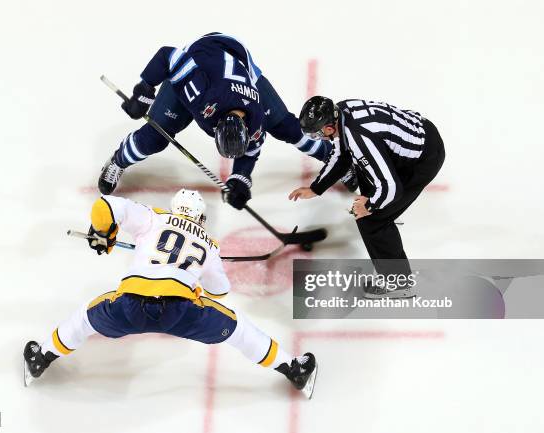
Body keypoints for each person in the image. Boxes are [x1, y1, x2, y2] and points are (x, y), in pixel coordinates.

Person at [23, 189, 318, 398]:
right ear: (201, 218)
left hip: (130, 306)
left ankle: (41, 358)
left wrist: (105, 233)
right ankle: (293, 369)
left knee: (86, 317)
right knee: (239, 329)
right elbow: (221, 291)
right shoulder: (210, 245)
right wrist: (197, 281)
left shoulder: (154, 217)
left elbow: (104, 208)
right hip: (182, 312)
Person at [97, 32, 338, 210]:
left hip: (238, 62)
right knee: (155, 138)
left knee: (285, 126)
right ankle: (118, 161)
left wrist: (239, 179)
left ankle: (335, 157)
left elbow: (250, 152)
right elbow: (168, 55)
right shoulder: (199, 91)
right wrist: (145, 89)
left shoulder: (257, 120)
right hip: (204, 59)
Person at [289, 96, 445, 299]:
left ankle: (399, 283)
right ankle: (385, 212)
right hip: (416, 135)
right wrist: (316, 188)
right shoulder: (342, 111)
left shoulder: (359, 138)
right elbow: (342, 154)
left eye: (317, 134)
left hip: (423, 159)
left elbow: (390, 187)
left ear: (328, 128)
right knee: (368, 181)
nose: (319, 138)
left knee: (372, 221)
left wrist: (371, 206)